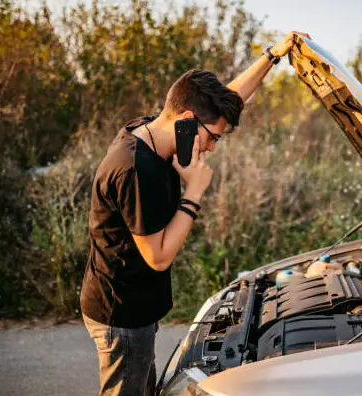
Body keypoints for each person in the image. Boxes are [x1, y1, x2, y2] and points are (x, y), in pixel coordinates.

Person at [79, 31, 309, 396]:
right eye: (214, 138)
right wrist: (195, 192)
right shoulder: (136, 169)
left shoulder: (157, 130)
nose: (213, 148)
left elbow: (229, 100)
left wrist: (272, 57)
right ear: (187, 119)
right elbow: (158, 257)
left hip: (136, 303)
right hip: (121, 313)